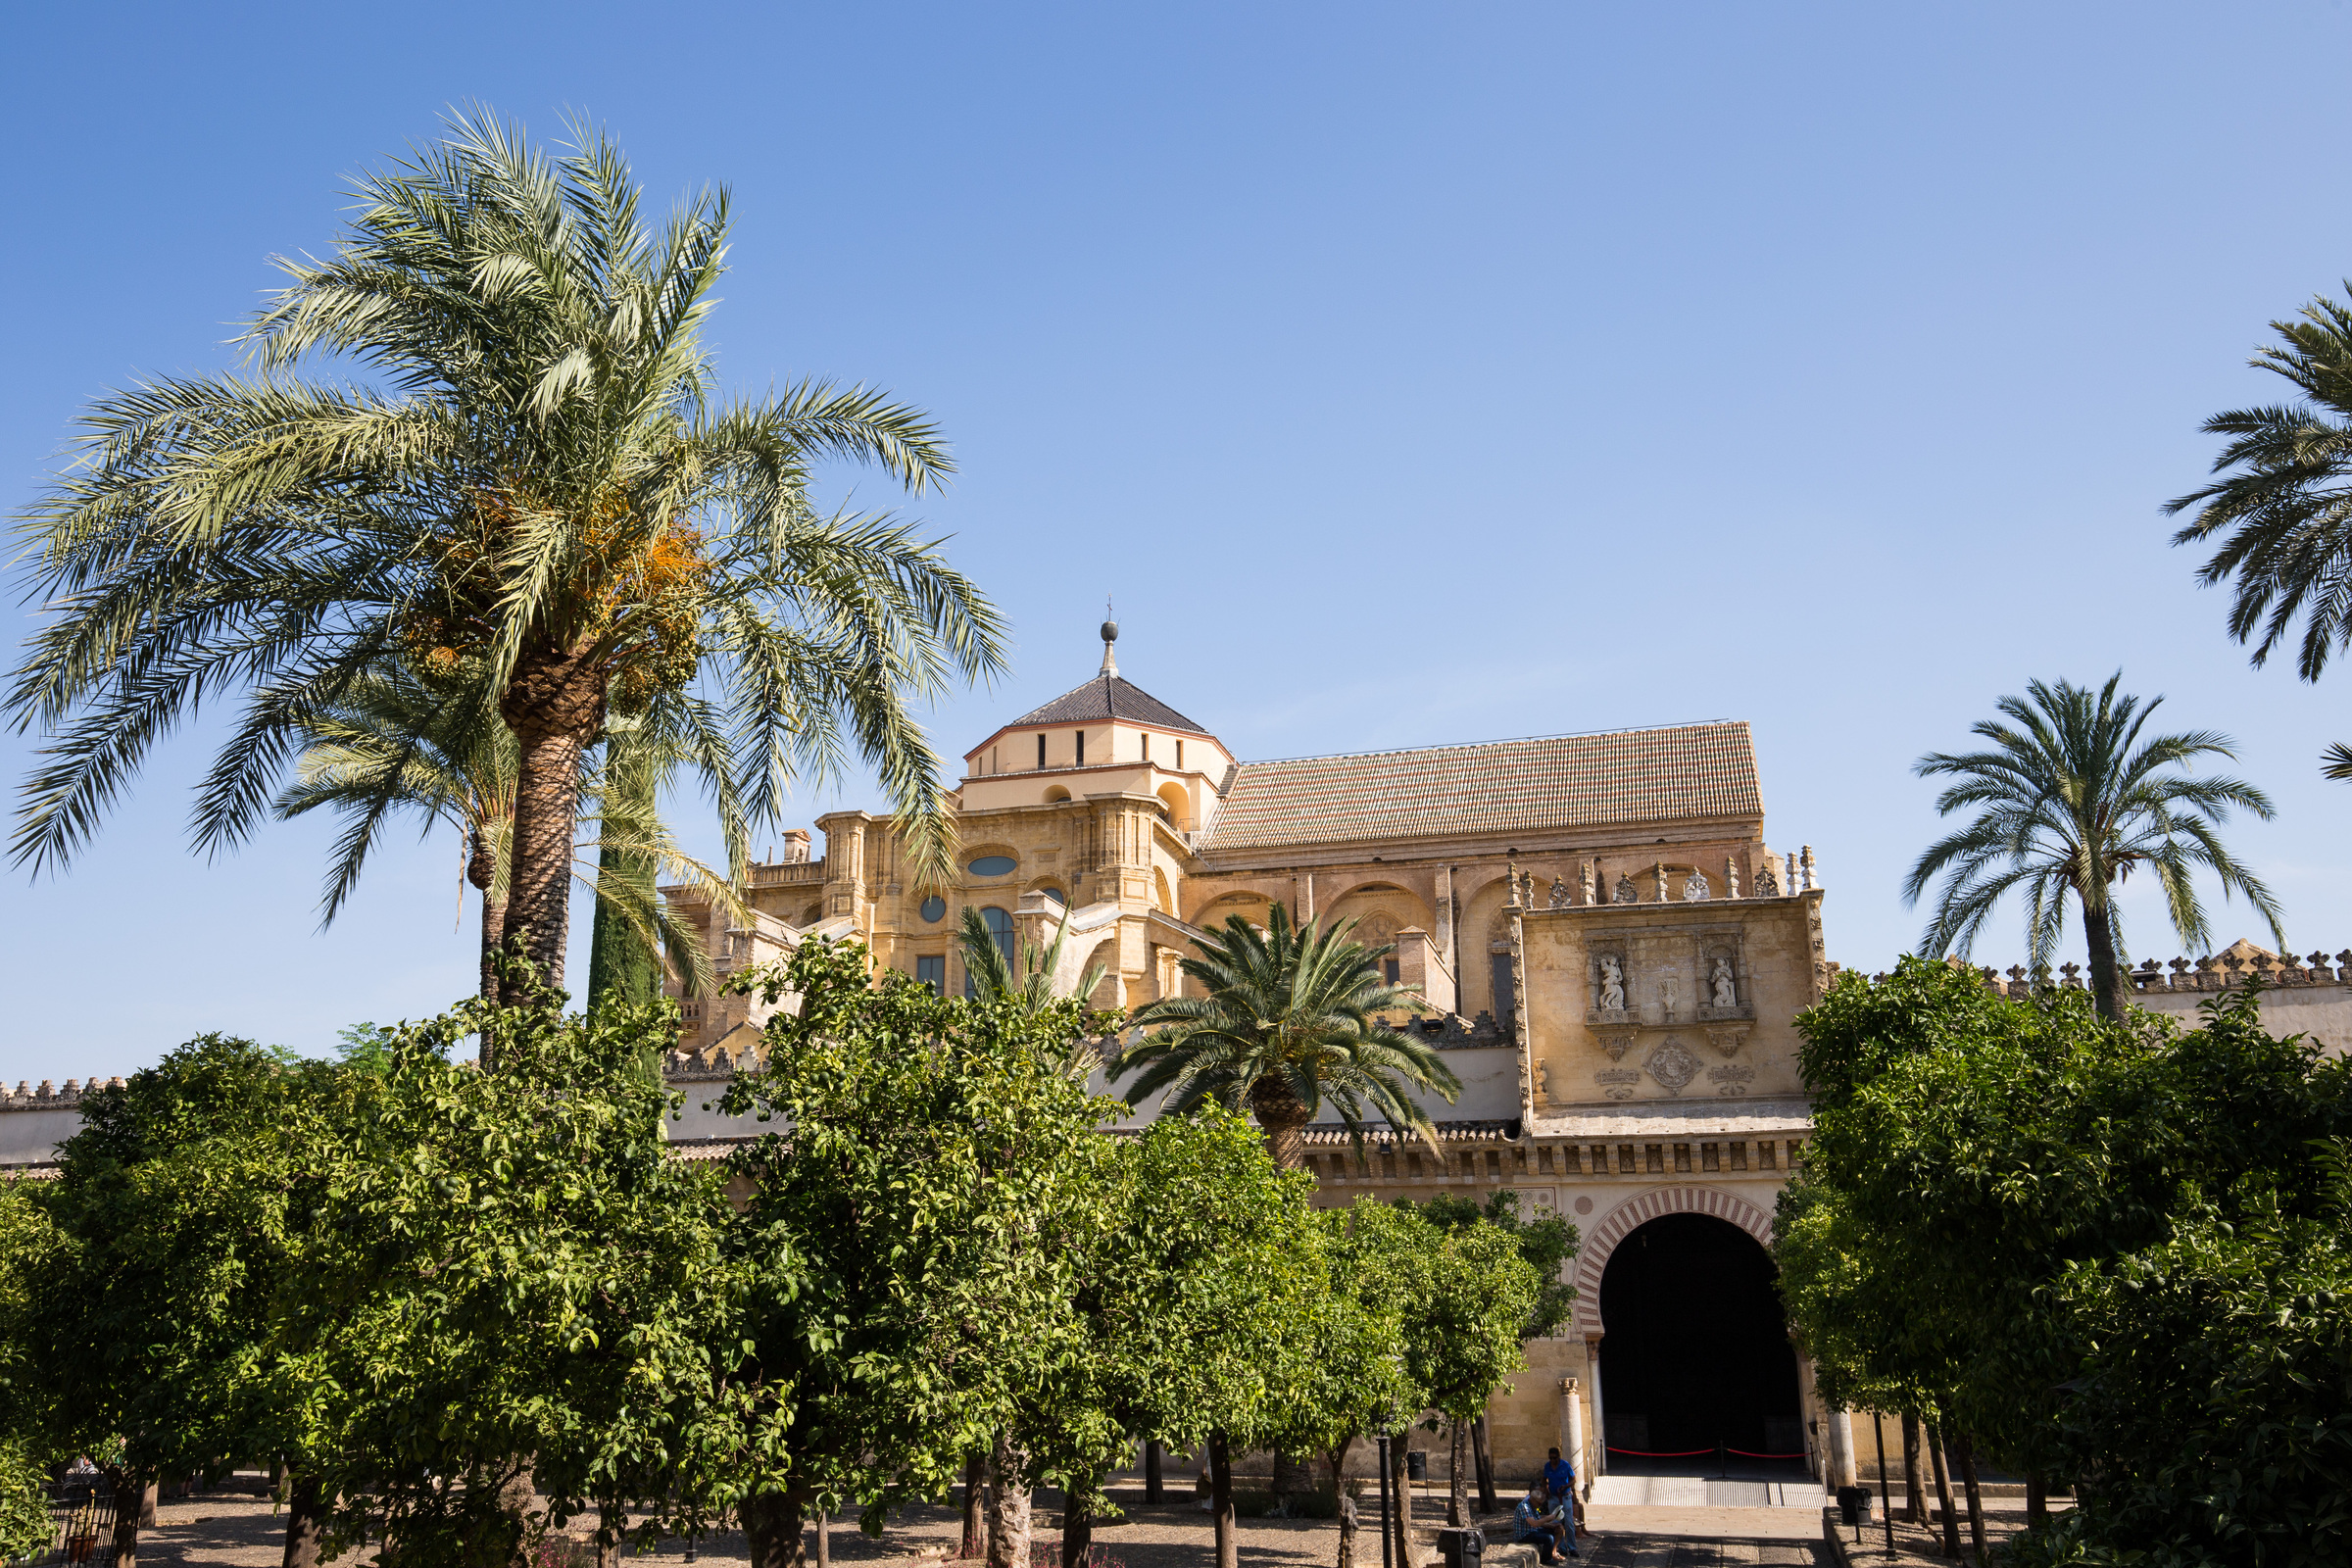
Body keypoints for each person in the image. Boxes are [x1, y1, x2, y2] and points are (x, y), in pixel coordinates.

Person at [1512, 1483, 1577, 1563]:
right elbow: (1534, 1523)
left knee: (1558, 1529)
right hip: (1524, 1535)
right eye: (1539, 1503)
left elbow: (1538, 1520)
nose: (1539, 1506)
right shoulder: (1524, 1507)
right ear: (1533, 1500)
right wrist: (1549, 1518)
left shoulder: (1533, 1506)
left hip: (1532, 1530)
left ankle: (1553, 1552)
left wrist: (1553, 1525)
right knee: (1548, 1538)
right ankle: (1546, 1559)